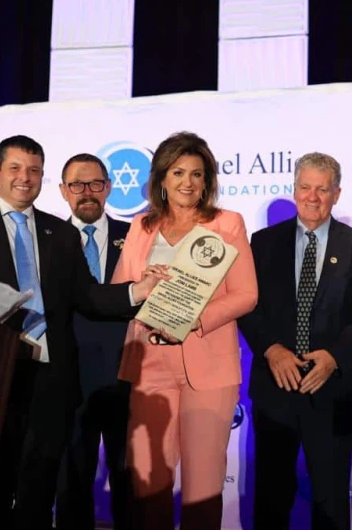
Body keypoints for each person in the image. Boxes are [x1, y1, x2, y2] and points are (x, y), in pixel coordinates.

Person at [0, 135, 165, 530]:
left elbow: (88, 296)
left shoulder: (60, 234)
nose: (24, 177)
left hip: (50, 378)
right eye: (15, 168)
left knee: (39, 486)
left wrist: (137, 290)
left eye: (34, 170)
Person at [109, 131, 257, 529]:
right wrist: (143, 282)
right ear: (162, 178)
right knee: (148, 483)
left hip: (207, 364)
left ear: (207, 181)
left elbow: (247, 295)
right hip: (148, 363)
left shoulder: (226, 223)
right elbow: (119, 291)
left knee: (203, 487)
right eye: (177, 173)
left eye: (196, 174)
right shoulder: (141, 226)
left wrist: (196, 318)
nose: (187, 182)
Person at [238, 153, 352, 530]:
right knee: (271, 499)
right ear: (294, 189)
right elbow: (247, 305)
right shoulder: (262, 243)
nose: (312, 197)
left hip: (334, 390)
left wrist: (334, 357)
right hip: (276, 390)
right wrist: (272, 350)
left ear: (337, 194)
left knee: (331, 501)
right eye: (305, 187)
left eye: (322, 189)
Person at [55, 153, 133, 530]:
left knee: (130, 482)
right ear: (63, 190)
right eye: (77, 184)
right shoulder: (48, 239)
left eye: (95, 184)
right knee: (72, 483)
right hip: (69, 377)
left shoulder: (137, 236)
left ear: (109, 188)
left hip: (128, 372)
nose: (87, 192)